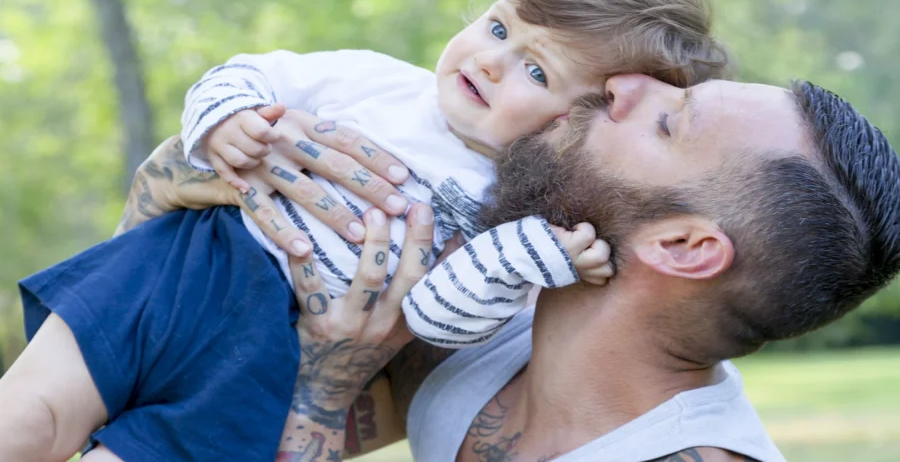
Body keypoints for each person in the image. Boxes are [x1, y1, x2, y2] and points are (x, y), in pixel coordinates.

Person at [0, 0, 732, 461]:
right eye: (500, 28)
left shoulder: (510, 215)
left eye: (536, 71)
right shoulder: (378, 83)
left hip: (272, 361)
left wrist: (535, 255)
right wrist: (226, 121)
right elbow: (248, 73)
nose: (488, 60)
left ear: (575, 126)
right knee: (24, 424)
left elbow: (444, 316)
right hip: (181, 268)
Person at [78, 73, 900, 461]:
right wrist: (259, 159)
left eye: (666, 121)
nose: (621, 81)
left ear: (683, 247)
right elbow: (193, 400)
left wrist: (328, 389)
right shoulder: (487, 320)